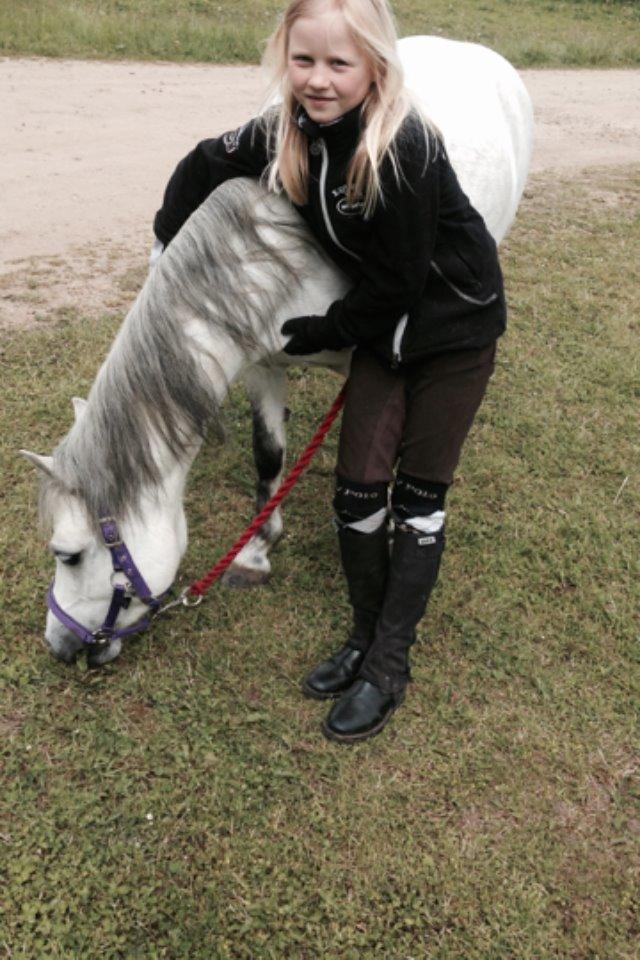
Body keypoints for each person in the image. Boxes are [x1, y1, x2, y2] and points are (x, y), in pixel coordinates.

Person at [152, 0, 506, 743]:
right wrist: (166, 249)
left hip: (450, 335)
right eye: (303, 60)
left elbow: (398, 284)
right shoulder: (293, 128)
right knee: (353, 495)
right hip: (382, 336)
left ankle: (387, 665)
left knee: (416, 502)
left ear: (376, 65)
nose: (317, 80)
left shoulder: (399, 147)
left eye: (339, 64)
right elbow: (206, 160)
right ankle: (360, 637)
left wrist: (321, 331)